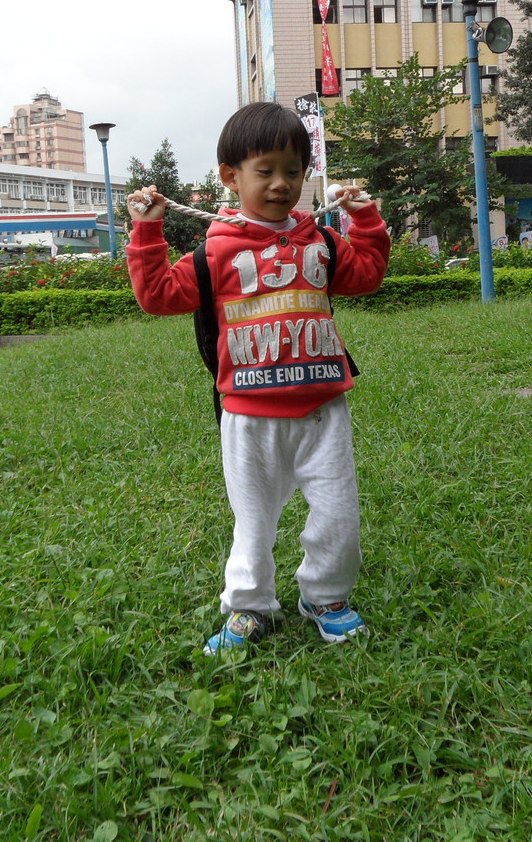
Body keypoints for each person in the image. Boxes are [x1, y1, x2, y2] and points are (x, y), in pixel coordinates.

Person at [125, 101, 390, 654]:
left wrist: (365, 221)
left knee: (339, 517)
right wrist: (147, 232)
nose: (280, 183)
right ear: (231, 176)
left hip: (323, 411)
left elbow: (366, 276)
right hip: (247, 416)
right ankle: (249, 607)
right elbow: (158, 295)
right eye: (264, 170)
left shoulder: (320, 241)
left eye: (293, 170)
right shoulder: (215, 251)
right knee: (253, 523)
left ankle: (325, 598)